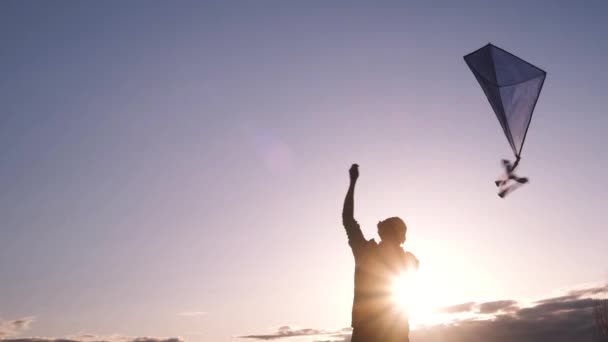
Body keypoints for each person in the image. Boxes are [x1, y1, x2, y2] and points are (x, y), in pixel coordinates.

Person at [342, 164, 419, 342]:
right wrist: (352, 183)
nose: (402, 239)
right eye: (401, 234)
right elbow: (348, 219)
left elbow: (347, 219)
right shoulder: (367, 251)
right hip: (371, 332)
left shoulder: (404, 259)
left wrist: (353, 182)